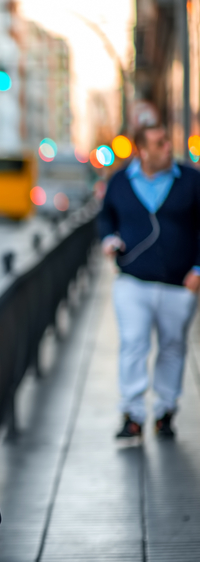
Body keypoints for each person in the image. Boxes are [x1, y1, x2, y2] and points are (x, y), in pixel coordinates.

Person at [97, 124, 200, 444]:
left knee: (172, 346)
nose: (168, 146)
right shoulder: (120, 182)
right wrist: (108, 239)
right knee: (133, 343)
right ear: (142, 151)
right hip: (132, 281)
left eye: (167, 140)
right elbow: (105, 217)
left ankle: (165, 412)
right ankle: (132, 415)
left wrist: (198, 269)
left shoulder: (191, 180)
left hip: (179, 284)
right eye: (159, 143)